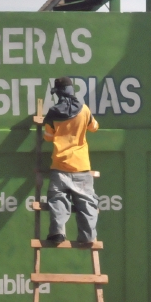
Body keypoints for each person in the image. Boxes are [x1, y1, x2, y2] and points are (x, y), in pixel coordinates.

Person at [42, 77, 99, 246]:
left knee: (57, 200)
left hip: (60, 166)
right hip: (82, 166)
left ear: (58, 93)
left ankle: (58, 233)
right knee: (87, 202)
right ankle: (88, 236)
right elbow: (94, 127)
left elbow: (48, 138)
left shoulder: (53, 113)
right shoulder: (85, 110)